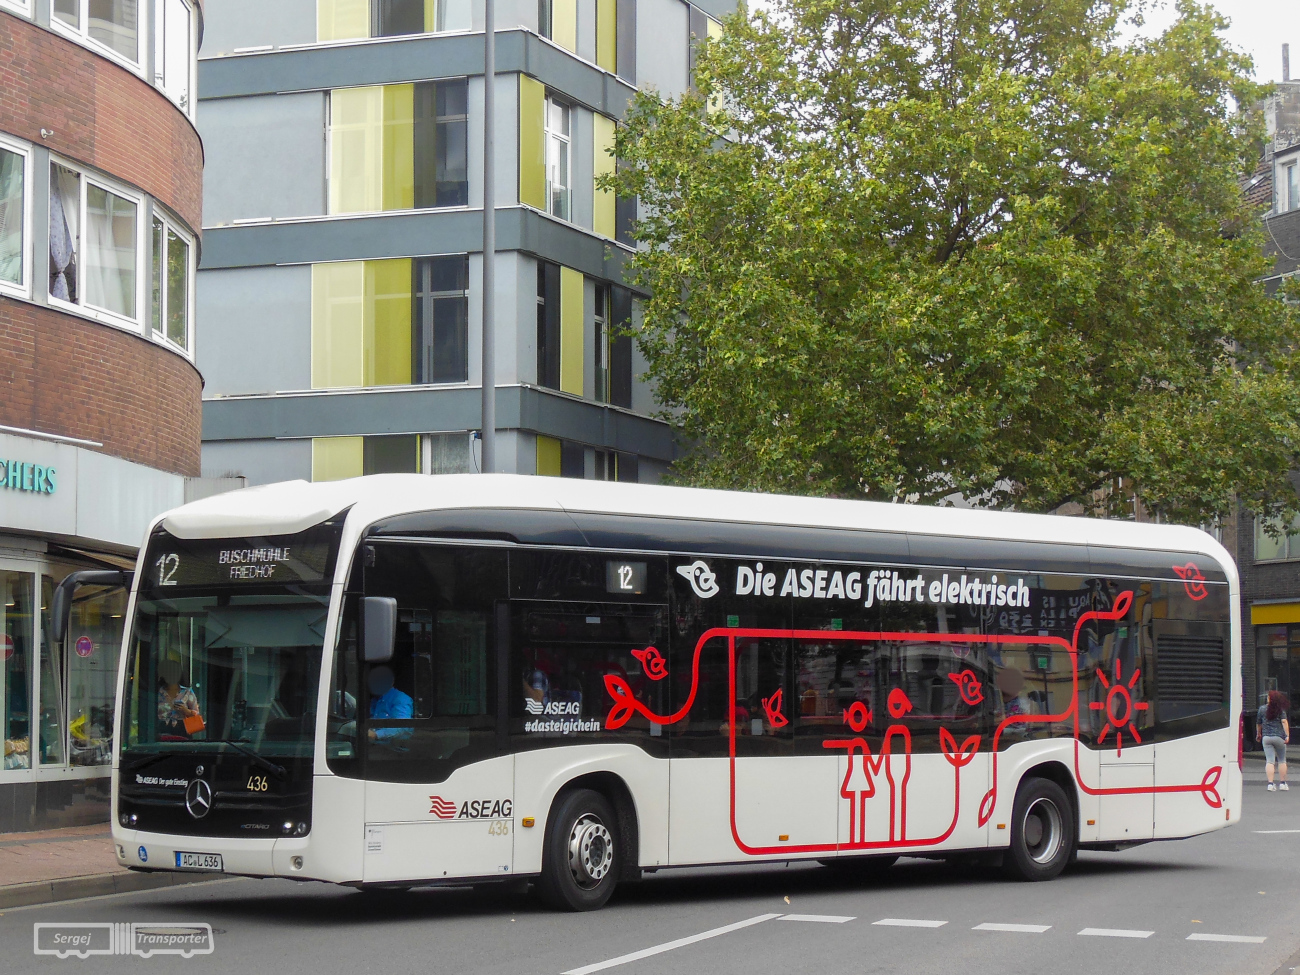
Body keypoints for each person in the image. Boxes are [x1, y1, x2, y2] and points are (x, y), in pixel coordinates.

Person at [367, 665, 413, 742]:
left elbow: (402, 727)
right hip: (375, 746)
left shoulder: (401, 699)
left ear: (392, 681)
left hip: (396, 748)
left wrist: (376, 734)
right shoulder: (375, 700)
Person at [157, 659, 201, 738]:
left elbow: (196, 714)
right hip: (162, 730)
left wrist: (185, 710)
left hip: (183, 730)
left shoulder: (187, 692)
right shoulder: (158, 692)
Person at [1257, 690, 1291, 792]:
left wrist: (1259, 734)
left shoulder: (1262, 709)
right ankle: (1282, 783)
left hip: (1266, 738)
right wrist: (1287, 735)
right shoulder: (1280, 710)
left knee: (1270, 761)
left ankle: (1270, 784)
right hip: (1279, 737)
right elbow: (1284, 721)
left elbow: (1259, 723)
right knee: (1282, 760)